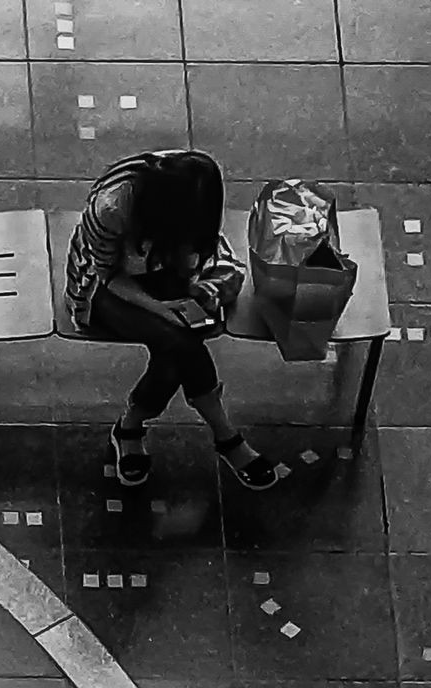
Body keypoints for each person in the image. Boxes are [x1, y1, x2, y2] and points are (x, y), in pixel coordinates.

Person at [63, 148, 281, 492]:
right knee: (179, 341)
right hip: (104, 285)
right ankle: (224, 434)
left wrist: (201, 284)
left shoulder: (188, 185)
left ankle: (130, 427)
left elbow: (209, 247)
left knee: (174, 351)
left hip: (160, 267)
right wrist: (160, 308)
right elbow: (107, 275)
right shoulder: (111, 209)